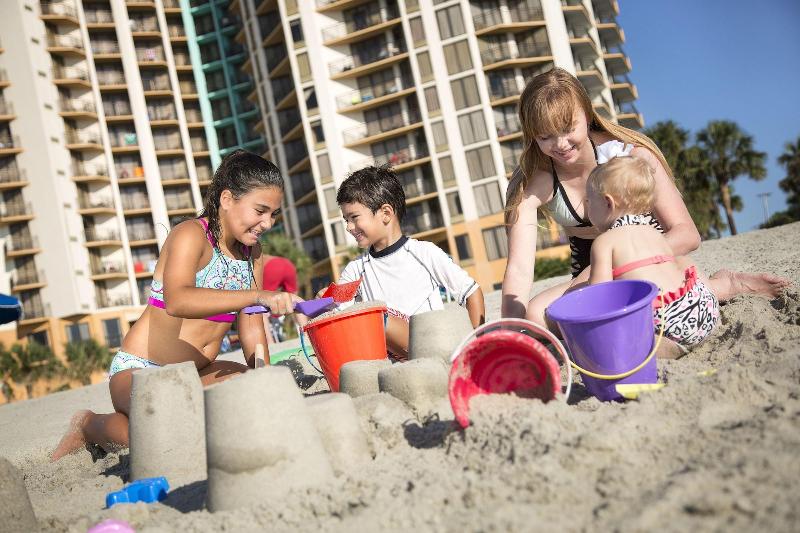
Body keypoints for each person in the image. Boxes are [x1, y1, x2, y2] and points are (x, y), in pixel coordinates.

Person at [51, 150, 302, 461]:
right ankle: (88, 424)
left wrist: (263, 377)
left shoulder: (254, 253)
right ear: (227, 199)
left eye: (274, 214)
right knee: (160, 437)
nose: (267, 223)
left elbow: (251, 324)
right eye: (260, 211)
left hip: (200, 371)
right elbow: (177, 300)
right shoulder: (191, 235)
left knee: (245, 393)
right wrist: (256, 295)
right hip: (142, 371)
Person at [502, 67, 789, 327]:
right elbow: (519, 268)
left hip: (650, 258)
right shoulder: (534, 182)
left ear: (587, 116)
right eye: (545, 137)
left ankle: (723, 285)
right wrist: (510, 333)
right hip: (589, 275)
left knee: (638, 306)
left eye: (568, 129)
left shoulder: (630, 157)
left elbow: (688, 234)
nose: (560, 144)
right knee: (537, 315)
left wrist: (625, 260)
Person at [333, 165, 485, 360]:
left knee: (375, 316)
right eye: (346, 220)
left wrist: (476, 344)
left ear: (386, 213)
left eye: (354, 217)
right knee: (355, 317)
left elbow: (471, 292)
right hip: (391, 362)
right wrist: (327, 301)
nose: (348, 227)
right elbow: (339, 313)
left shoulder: (423, 252)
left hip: (433, 349)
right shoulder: (355, 269)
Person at [585, 156, 720, 353]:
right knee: (683, 262)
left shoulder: (604, 242)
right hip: (703, 310)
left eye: (589, 201)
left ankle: (663, 346)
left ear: (608, 202)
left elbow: (600, 297)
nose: (587, 208)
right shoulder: (655, 234)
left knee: (620, 328)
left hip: (666, 322)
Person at [261, 253, 304, 343]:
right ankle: (307, 333)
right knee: (295, 301)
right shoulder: (264, 255)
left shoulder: (248, 257)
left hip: (271, 267)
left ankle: (270, 343)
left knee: (261, 305)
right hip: (287, 264)